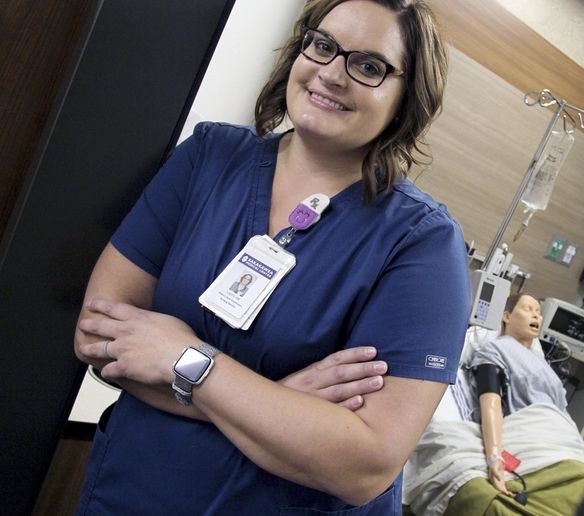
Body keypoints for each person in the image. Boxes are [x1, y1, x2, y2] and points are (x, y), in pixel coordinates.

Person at [73, 0, 470, 514]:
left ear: (406, 97)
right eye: (322, 46)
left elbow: (364, 466)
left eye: (369, 66)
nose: (332, 74)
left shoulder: (421, 242)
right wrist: (279, 401)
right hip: (132, 491)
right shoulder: (209, 157)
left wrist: (185, 360)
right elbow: (98, 336)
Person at [469, 293, 569, 495]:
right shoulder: (495, 350)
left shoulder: (543, 364)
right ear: (507, 316)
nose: (536, 316)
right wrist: (494, 457)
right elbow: (491, 403)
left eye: (538, 312)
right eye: (528, 309)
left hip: (563, 439)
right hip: (531, 435)